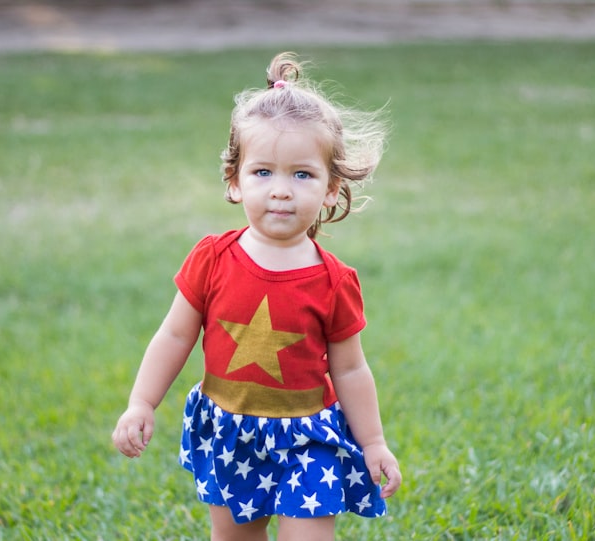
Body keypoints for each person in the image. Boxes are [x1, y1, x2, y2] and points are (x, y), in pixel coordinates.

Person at [112, 51, 401, 541]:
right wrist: (142, 402)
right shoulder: (212, 258)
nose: (281, 191)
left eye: (302, 175)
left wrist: (372, 441)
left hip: (308, 438)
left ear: (331, 189)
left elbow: (351, 368)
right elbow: (175, 334)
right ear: (234, 181)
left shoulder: (334, 281)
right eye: (262, 172)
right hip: (233, 433)